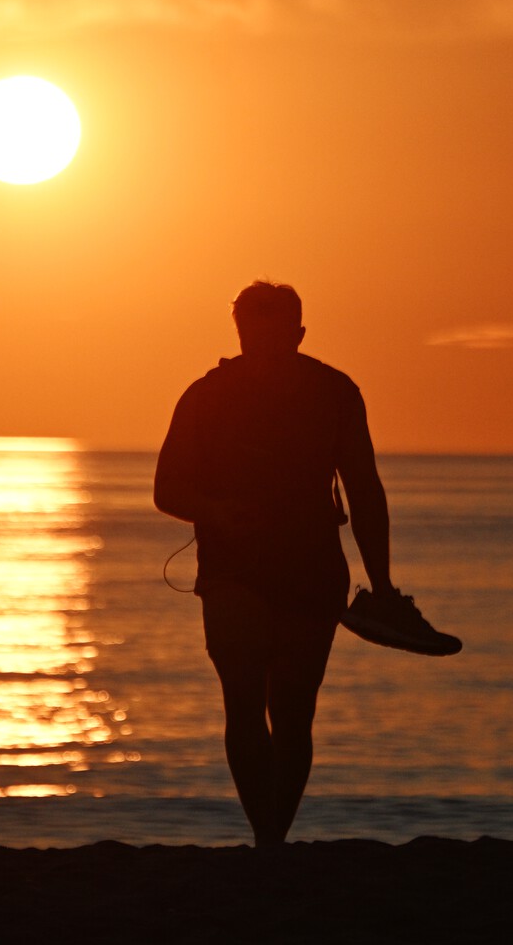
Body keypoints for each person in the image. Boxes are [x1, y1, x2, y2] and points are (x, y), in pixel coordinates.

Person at [154, 280, 406, 846]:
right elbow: (166, 488)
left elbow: (364, 489)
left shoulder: (335, 393)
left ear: (299, 334)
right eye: (252, 339)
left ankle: (274, 838)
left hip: (313, 568)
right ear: (238, 333)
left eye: (276, 341)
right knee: (243, 702)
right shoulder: (206, 395)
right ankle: (266, 836)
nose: (264, 354)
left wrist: (383, 584)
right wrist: (216, 510)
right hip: (232, 570)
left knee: (293, 713)